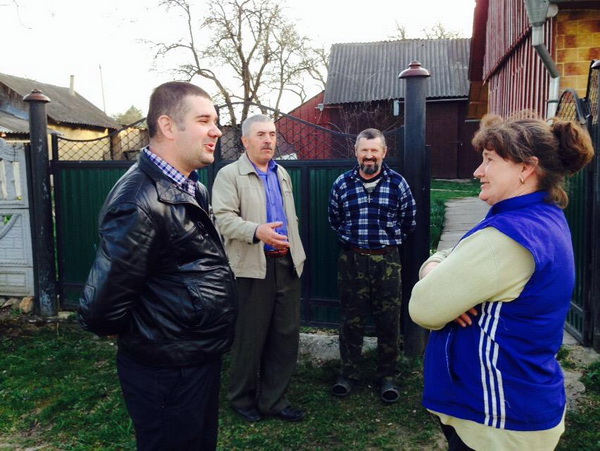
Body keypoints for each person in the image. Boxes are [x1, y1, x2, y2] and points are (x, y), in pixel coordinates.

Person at [409, 113, 594, 450]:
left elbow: (423, 307)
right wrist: (439, 267)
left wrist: (433, 269)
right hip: (520, 404)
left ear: (526, 168)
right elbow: (459, 253)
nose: (478, 171)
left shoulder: (508, 237)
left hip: (498, 420)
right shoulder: (538, 217)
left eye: (490, 160)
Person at [78, 81, 236, 450]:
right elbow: (101, 308)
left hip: (195, 357)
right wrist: (150, 335)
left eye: (215, 121)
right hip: (166, 370)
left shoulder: (192, 188)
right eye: (204, 121)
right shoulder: (139, 200)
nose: (216, 131)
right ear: (167, 126)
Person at [212, 114, 307, 423]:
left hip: (287, 264)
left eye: (272, 134)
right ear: (245, 141)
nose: (268, 140)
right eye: (261, 135)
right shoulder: (229, 175)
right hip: (252, 268)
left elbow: (289, 217)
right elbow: (222, 219)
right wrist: (256, 231)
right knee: (250, 338)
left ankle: (273, 401)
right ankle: (241, 398)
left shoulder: (282, 173)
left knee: (285, 337)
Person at [328, 128, 416, 403]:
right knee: (350, 320)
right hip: (352, 260)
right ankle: (348, 374)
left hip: (387, 261)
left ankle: (388, 376)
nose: (369, 156)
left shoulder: (398, 183)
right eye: (364, 150)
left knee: (388, 321)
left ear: (383, 152)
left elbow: (409, 220)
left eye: (374, 150)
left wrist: (386, 243)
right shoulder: (342, 184)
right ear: (356, 152)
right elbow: (334, 219)